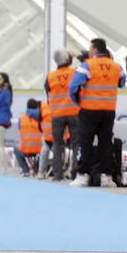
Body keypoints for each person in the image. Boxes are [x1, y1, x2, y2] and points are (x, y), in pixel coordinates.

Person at [69, 38, 125, 188]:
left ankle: (82, 175)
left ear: (94, 50)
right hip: (108, 111)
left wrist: (78, 103)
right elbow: (121, 83)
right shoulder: (117, 67)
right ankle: (106, 177)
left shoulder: (87, 65)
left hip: (89, 110)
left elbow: (73, 87)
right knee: (106, 143)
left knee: (85, 142)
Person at [45, 48, 80, 181]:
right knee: (76, 144)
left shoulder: (50, 76)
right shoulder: (75, 72)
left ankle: (57, 174)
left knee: (57, 145)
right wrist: (75, 54)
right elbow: (89, 63)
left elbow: (48, 92)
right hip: (74, 112)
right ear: (68, 59)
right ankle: (75, 173)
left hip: (57, 114)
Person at [13, 99, 42, 176]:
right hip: (40, 148)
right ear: (37, 107)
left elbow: (20, 130)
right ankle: (40, 169)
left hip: (26, 148)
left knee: (16, 149)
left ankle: (26, 170)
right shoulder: (42, 117)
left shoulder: (22, 118)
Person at [36, 100, 53, 178]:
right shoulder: (44, 107)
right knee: (56, 152)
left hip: (48, 135)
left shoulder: (43, 107)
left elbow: (39, 123)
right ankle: (58, 172)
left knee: (44, 151)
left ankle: (41, 172)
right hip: (55, 136)